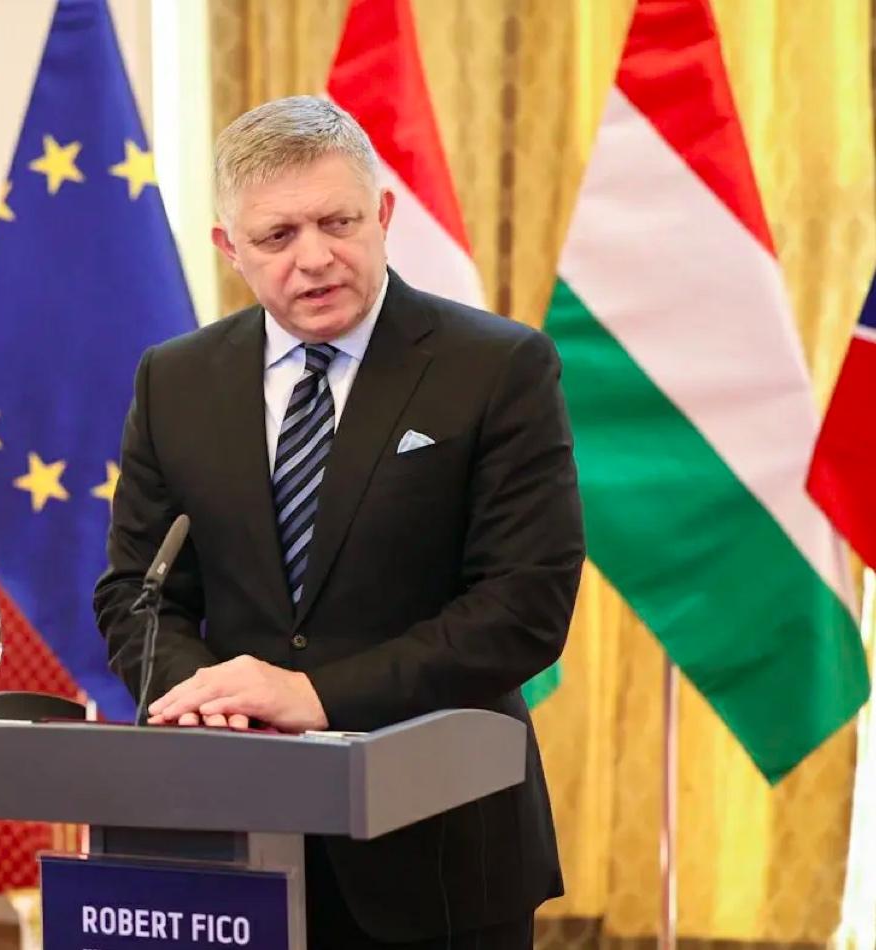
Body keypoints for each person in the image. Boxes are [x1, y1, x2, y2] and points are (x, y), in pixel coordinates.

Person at [92, 96, 582, 949]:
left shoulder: (497, 366)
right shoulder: (174, 380)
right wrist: (216, 702)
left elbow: (522, 609)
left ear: (383, 214)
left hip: (439, 851)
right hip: (234, 844)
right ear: (229, 249)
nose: (314, 258)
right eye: (278, 236)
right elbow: (139, 593)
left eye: (338, 222)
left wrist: (314, 697)